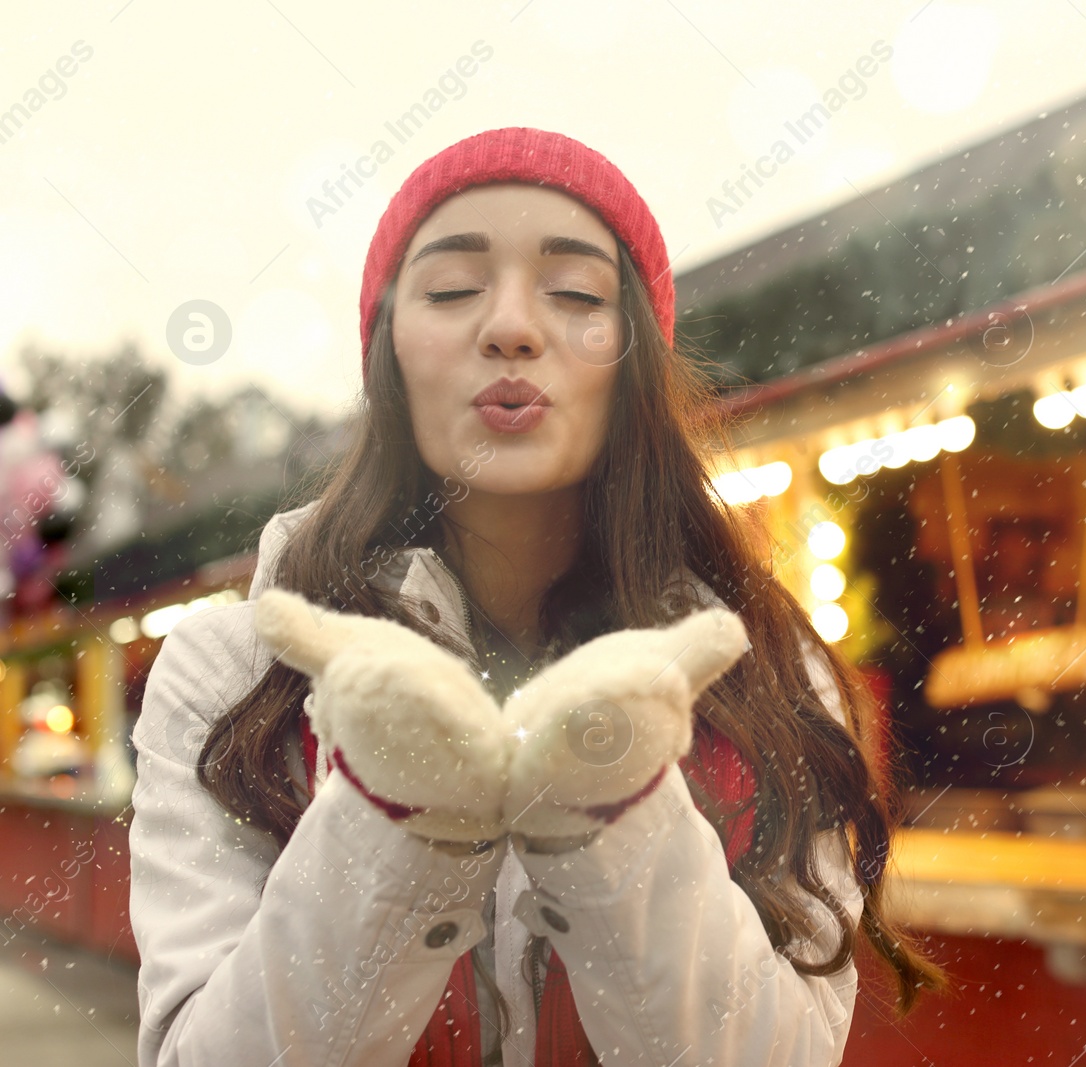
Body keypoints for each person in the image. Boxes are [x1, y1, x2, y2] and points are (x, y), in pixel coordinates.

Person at [129, 127, 945, 1067]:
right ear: (386, 355)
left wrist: (618, 795)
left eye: (575, 294)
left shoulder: (756, 665)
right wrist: (393, 807)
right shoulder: (232, 670)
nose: (512, 326)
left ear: (635, 358)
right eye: (448, 290)